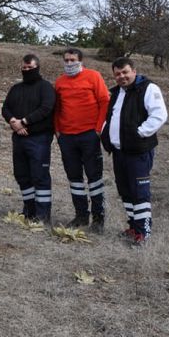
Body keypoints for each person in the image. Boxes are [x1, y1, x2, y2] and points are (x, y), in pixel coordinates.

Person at [101, 57, 167, 246]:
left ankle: (143, 231)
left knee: (140, 192)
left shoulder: (148, 89)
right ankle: (133, 226)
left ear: (134, 71)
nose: (121, 77)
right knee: (126, 191)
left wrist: (139, 133)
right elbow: (111, 116)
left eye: (125, 72)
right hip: (119, 151)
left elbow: (159, 115)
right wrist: (106, 134)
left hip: (138, 151)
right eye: (117, 74)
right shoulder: (116, 93)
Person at [54, 48, 110, 232]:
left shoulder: (93, 76)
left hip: (89, 135)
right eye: (66, 60)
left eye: (72, 60)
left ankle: (98, 218)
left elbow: (104, 101)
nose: (69, 63)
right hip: (67, 137)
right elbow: (57, 108)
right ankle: (81, 215)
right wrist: (58, 131)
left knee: (94, 177)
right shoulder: (60, 82)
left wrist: (98, 129)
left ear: (80, 61)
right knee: (74, 178)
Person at [1, 54, 56, 224]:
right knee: (22, 175)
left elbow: (46, 108)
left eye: (29, 68)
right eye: (24, 68)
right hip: (18, 138)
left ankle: (43, 214)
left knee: (39, 176)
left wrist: (24, 122)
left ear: (37, 68)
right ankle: (29, 209)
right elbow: (5, 108)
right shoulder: (16, 88)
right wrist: (13, 122)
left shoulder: (45, 87)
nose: (26, 71)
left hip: (39, 138)